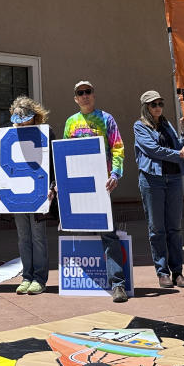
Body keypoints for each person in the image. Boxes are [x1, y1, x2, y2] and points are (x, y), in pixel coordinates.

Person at [63, 81, 129, 303]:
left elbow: (118, 146)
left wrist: (115, 174)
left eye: (88, 91)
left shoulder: (106, 119)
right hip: (78, 187)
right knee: (77, 230)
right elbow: (64, 152)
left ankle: (117, 284)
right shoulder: (70, 123)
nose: (84, 95)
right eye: (80, 93)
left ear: (94, 94)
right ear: (75, 98)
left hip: (102, 185)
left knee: (108, 233)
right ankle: (80, 281)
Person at [134, 90, 184, 288]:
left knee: (174, 228)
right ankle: (162, 272)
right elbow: (153, 150)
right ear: (146, 107)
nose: (158, 107)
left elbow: (181, 147)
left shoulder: (168, 124)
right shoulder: (139, 126)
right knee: (157, 229)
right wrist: (179, 153)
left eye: (160, 103)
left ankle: (178, 272)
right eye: (153, 104)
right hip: (152, 180)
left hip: (174, 179)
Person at [0, 96, 56, 295]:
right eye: (19, 119)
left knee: (37, 236)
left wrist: (53, 186)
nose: (22, 122)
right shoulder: (9, 135)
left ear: (34, 116)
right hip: (17, 194)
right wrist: (1, 189)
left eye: (26, 118)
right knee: (23, 237)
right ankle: (27, 277)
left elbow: (54, 164)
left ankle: (39, 278)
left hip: (38, 193)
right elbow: (4, 165)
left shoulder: (46, 133)